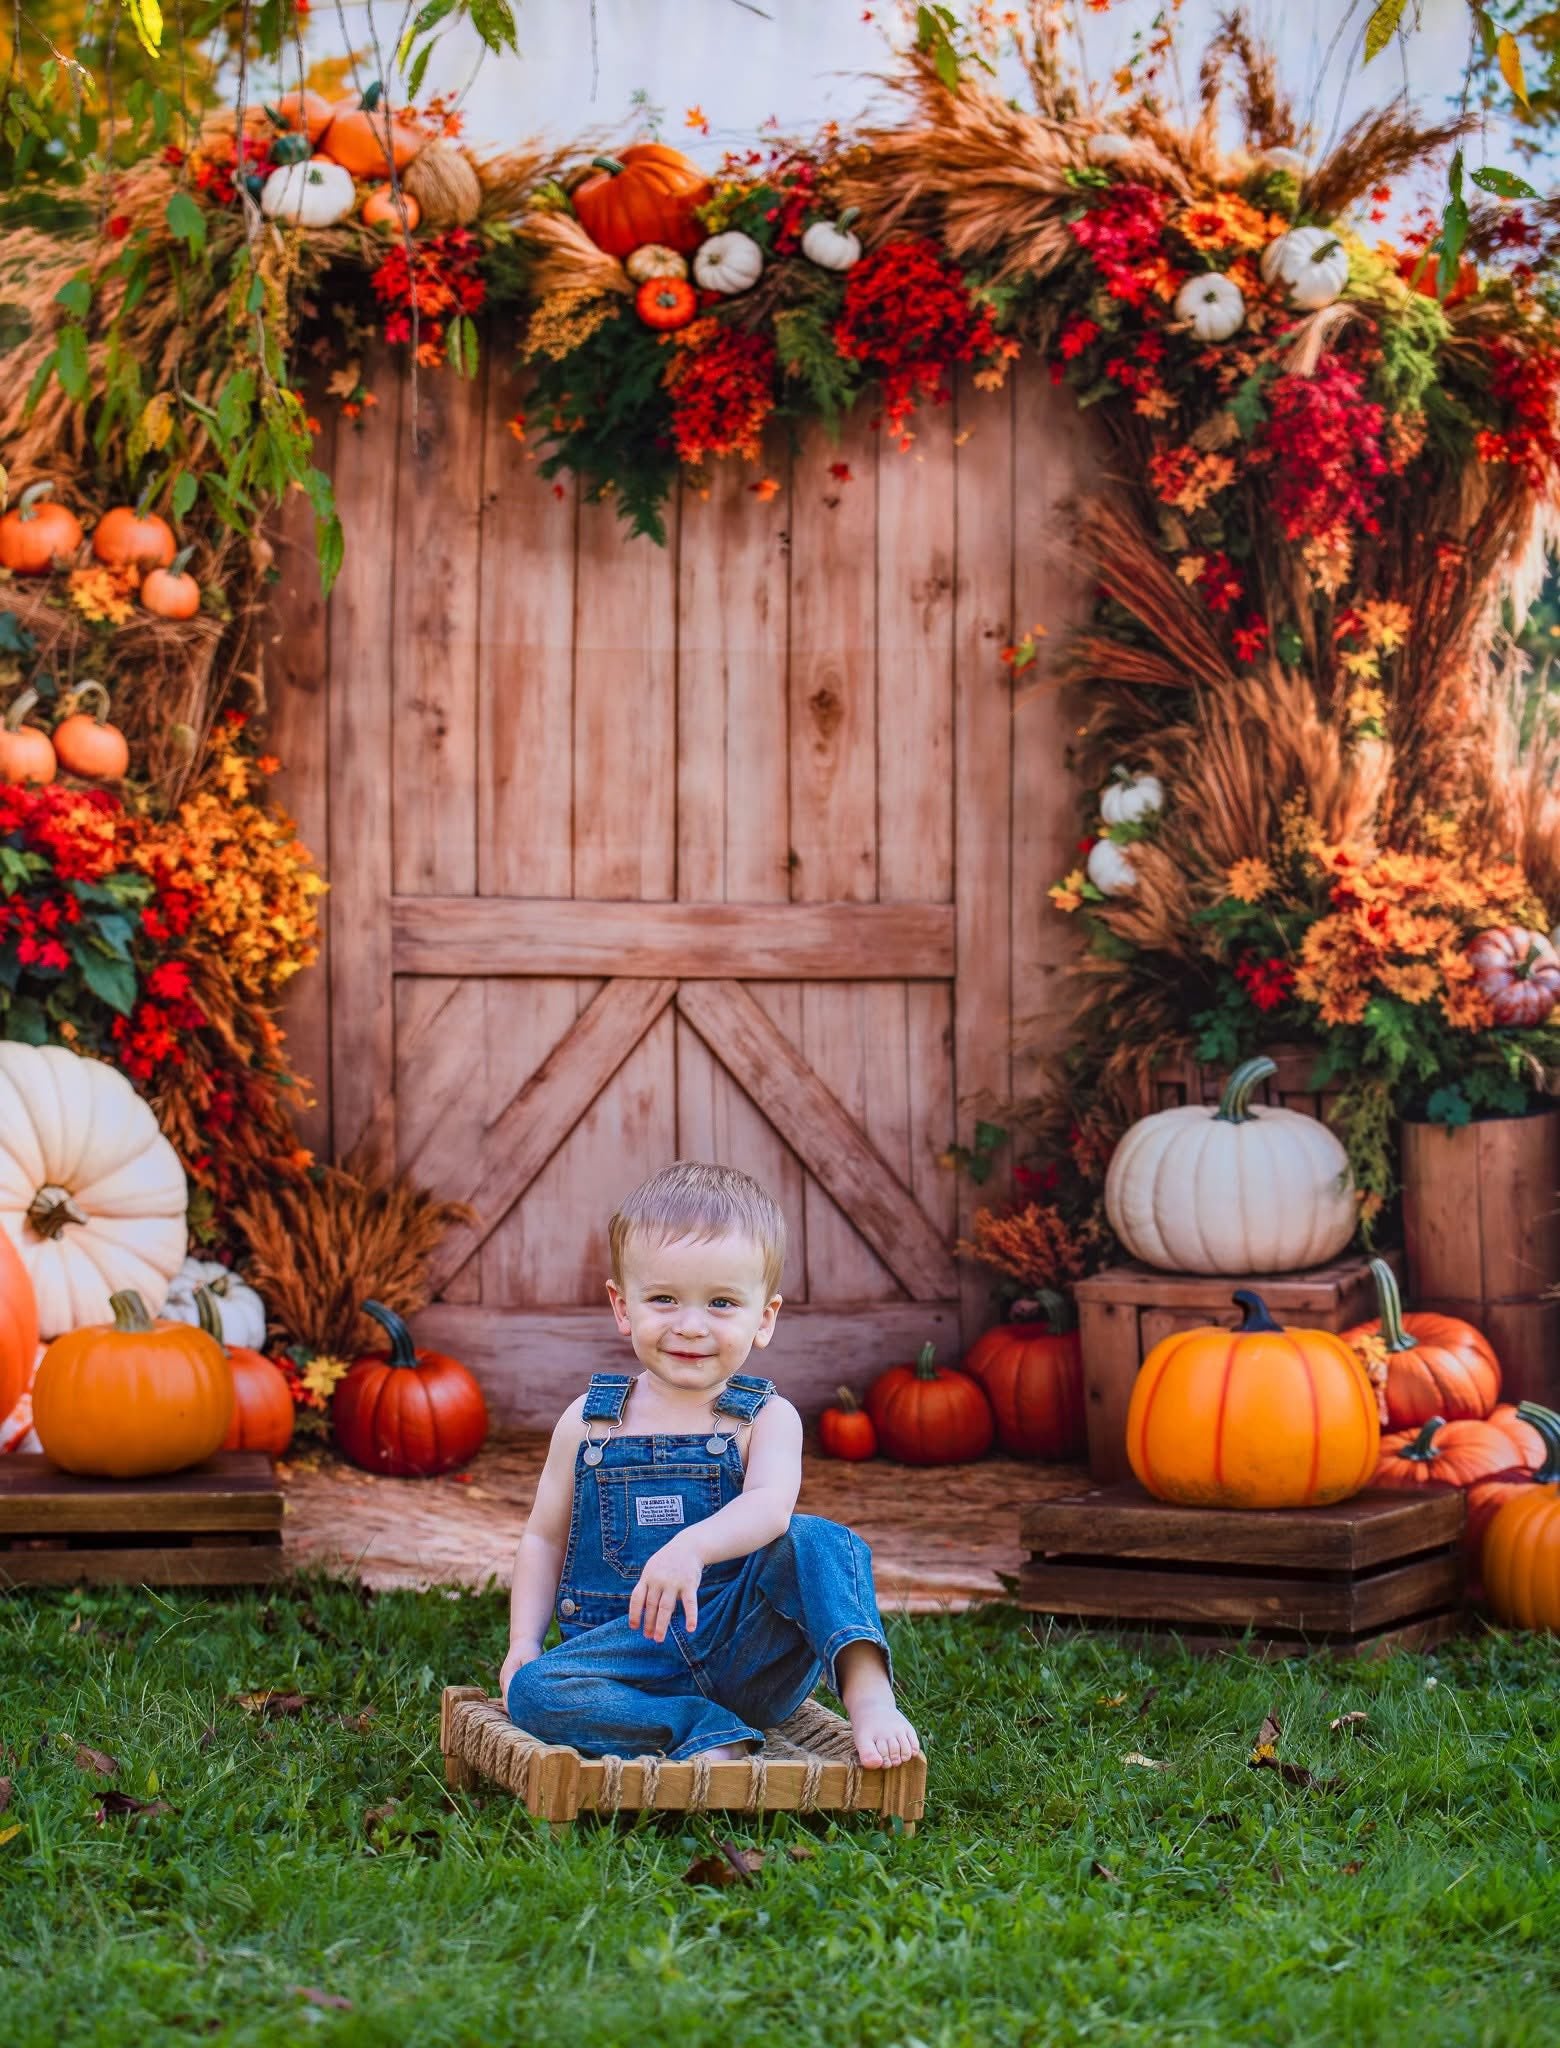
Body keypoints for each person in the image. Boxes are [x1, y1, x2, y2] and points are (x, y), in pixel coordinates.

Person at [499, 1160, 922, 1770]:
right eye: (664, 1299)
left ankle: (868, 1692)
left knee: (816, 1540)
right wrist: (523, 1643)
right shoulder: (589, 1423)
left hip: (742, 1650)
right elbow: (543, 1537)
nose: (690, 1326)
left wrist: (691, 1548)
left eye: (722, 1303)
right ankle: (701, 1730)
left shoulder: (764, 1419)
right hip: (622, 1662)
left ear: (765, 1317)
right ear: (623, 1307)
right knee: (533, 1693)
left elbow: (770, 1508)